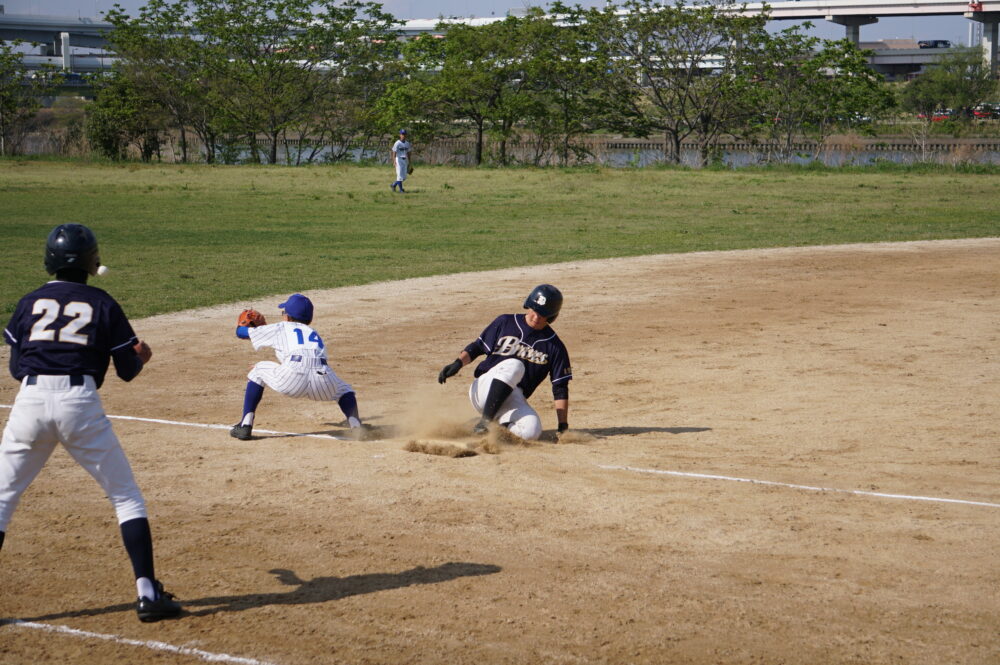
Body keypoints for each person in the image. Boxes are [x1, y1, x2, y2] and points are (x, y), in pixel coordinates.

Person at [0, 223, 181, 623]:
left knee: (1, 500)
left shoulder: (30, 302)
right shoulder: (102, 302)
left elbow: (16, 368)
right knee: (126, 497)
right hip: (79, 403)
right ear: (91, 262)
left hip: (29, 401)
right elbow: (126, 370)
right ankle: (148, 594)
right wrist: (142, 358)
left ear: (48, 259)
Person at [437, 285, 572, 440]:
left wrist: (563, 425)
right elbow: (478, 346)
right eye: (534, 310)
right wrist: (458, 363)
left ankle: (488, 429)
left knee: (532, 431)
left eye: (542, 314)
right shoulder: (505, 321)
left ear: (552, 316)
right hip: (485, 388)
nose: (536, 317)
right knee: (515, 365)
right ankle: (485, 421)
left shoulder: (555, 347)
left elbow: (560, 387)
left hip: (512, 397)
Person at [230, 294, 365, 441]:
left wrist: (243, 323)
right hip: (323, 383)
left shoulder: (281, 327)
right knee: (344, 389)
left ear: (287, 317)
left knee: (259, 369)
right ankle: (356, 425)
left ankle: (245, 425)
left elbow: (241, 333)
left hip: (292, 380)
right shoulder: (314, 333)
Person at [390, 129, 412, 193]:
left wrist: (410, 161)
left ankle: (393, 185)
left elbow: (409, 152)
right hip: (398, 160)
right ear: (400, 135)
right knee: (399, 176)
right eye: (402, 134)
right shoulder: (397, 143)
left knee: (404, 177)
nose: (403, 135)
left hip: (405, 161)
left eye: (404, 134)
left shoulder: (407, 143)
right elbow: (394, 152)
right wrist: (394, 161)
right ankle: (401, 190)